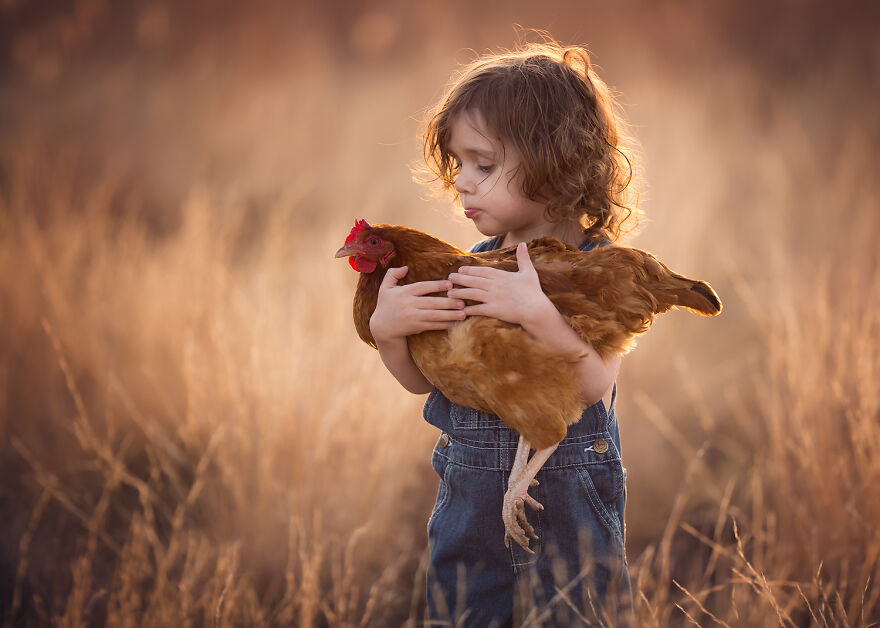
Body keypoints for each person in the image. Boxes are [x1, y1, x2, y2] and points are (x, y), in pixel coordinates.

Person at [368, 38, 640, 626]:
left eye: (484, 166)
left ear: (554, 164)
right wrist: (390, 335)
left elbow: (595, 386)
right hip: (471, 498)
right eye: (458, 164)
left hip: (568, 500)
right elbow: (428, 384)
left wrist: (539, 314)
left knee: (574, 615)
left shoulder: (595, 268)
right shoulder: (467, 265)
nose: (462, 182)